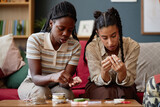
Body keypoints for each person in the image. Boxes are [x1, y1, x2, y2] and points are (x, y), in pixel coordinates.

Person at [18, 1, 82, 101]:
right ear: (51, 23)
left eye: (70, 30)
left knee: (67, 95)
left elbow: (63, 84)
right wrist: (53, 77)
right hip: (32, 83)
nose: (66, 34)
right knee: (42, 93)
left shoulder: (75, 46)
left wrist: (70, 81)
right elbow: (35, 78)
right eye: (61, 28)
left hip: (56, 87)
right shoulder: (35, 40)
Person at [83, 7, 140, 101]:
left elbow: (129, 81)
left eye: (114, 36)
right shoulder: (92, 47)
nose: (110, 43)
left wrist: (122, 72)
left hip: (125, 86)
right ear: (97, 33)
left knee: (123, 94)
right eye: (104, 38)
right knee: (106, 93)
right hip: (99, 85)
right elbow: (97, 79)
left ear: (119, 30)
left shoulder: (132, 46)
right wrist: (104, 71)